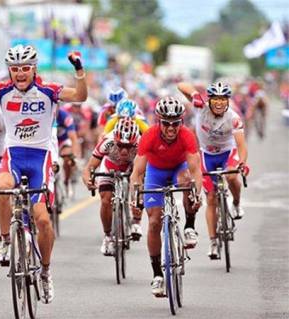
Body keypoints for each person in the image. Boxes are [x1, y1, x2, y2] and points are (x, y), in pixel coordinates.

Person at [0, 44, 87, 303]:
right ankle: (5, 242)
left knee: (43, 221)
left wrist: (79, 69)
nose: (20, 73)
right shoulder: (2, 90)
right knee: (2, 187)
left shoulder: (49, 90)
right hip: (14, 154)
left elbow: (80, 96)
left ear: (34, 69)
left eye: (25, 68)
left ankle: (46, 272)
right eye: (15, 69)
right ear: (10, 71)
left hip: (40, 158)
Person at [130, 97, 202, 297]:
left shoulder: (187, 136)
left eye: (175, 123)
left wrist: (197, 193)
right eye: (166, 123)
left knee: (187, 180)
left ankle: (189, 226)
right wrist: (134, 198)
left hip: (179, 169)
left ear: (181, 122)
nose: (171, 128)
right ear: (158, 121)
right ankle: (157, 275)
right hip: (156, 173)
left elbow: (195, 169)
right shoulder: (150, 136)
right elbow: (137, 172)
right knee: (153, 222)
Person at [178, 81, 249, 259]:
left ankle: (236, 203)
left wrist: (242, 162)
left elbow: (241, 146)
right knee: (210, 198)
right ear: (210, 100)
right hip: (206, 154)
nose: (219, 103)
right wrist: (194, 95)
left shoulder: (233, 118)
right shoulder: (200, 108)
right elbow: (181, 85)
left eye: (223, 99)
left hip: (227, 152)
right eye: (215, 99)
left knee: (232, 177)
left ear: (227, 101)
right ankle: (213, 242)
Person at [82, 118, 142, 255]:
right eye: (120, 145)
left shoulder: (141, 144)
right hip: (110, 166)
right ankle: (108, 236)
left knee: (140, 186)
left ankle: (136, 221)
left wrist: (139, 200)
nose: (125, 151)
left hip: (132, 167)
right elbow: (88, 169)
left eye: (129, 146)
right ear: (115, 140)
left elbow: (145, 172)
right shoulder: (107, 142)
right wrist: (88, 181)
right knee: (106, 199)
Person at [55, 107, 82, 198]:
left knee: (67, 157)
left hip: (63, 140)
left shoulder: (66, 116)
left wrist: (74, 156)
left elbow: (73, 138)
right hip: (50, 141)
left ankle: (66, 180)